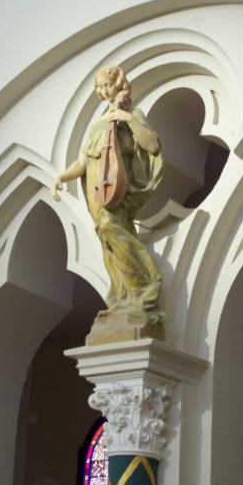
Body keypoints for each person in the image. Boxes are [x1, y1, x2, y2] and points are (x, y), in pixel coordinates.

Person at [51, 65, 164, 324]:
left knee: (110, 226)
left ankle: (145, 286)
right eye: (100, 88)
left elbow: (152, 145)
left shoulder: (132, 113)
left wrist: (129, 120)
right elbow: (83, 162)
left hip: (115, 182)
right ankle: (123, 297)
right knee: (105, 237)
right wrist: (61, 177)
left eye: (107, 85)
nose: (103, 91)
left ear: (120, 84)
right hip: (96, 185)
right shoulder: (98, 123)